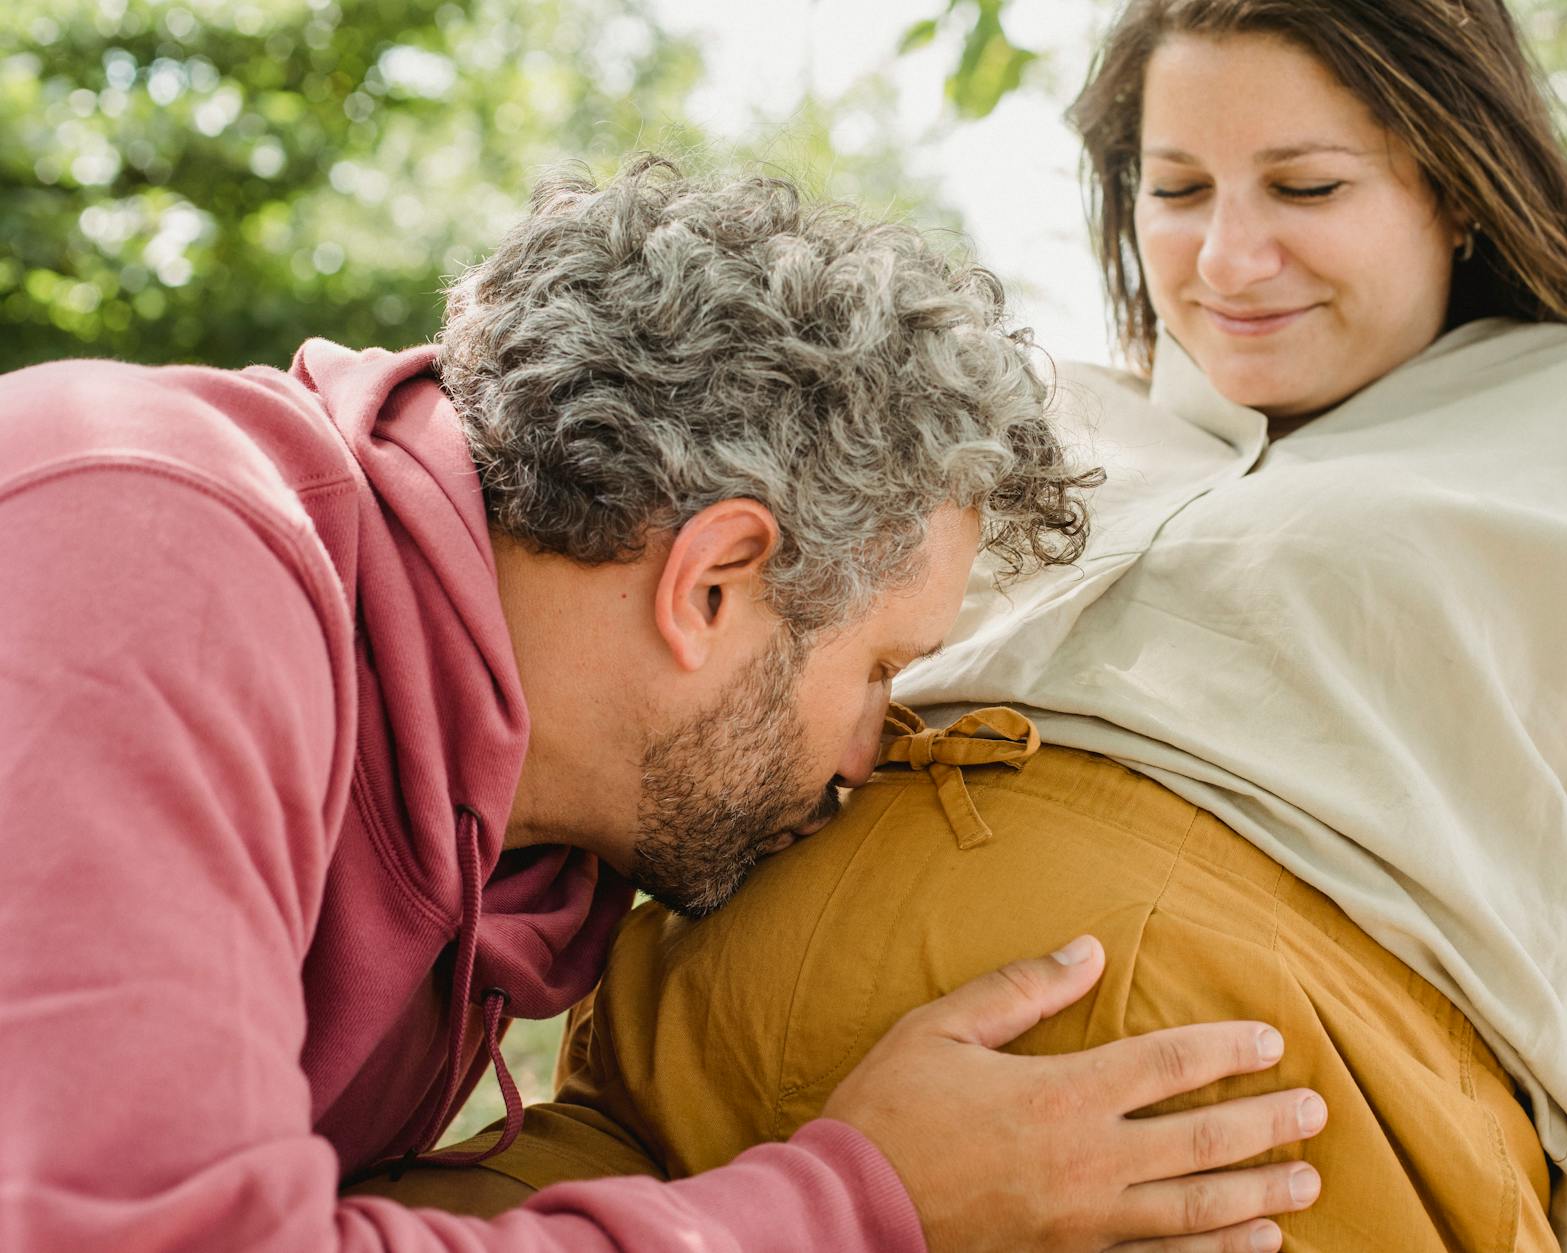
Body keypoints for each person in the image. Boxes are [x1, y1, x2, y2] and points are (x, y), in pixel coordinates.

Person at [365, 3, 1567, 1251]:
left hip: (1206, 1145)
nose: (1227, 259)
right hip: (681, 1089)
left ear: (1451, 184)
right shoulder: (1033, 418)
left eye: (1307, 189)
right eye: (1179, 189)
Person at [0, 154, 1337, 1252]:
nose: (877, 749)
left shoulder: (516, 858)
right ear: (712, 582)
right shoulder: (148, 543)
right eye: (877, 669)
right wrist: (857, 1205)